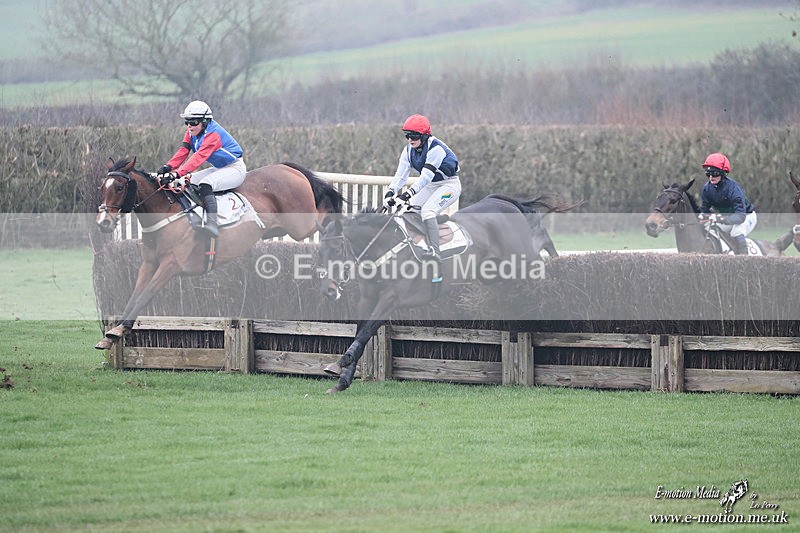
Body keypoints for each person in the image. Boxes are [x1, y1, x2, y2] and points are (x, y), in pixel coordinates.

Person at [157, 100, 246, 238]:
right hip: (219, 168)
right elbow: (183, 151)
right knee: (186, 181)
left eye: (193, 122)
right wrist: (168, 166)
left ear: (205, 121)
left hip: (235, 169)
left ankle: (212, 224)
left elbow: (198, 158)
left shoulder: (213, 134)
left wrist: (176, 174)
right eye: (187, 122)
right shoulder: (191, 132)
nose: (189, 126)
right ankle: (196, 216)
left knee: (206, 184)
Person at [382, 114, 461, 262]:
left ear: (424, 136)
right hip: (431, 186)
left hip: (449, 185)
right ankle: (421, 242)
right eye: (407, 136)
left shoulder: (436, 149)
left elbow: (425, 177)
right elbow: (401, 176)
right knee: (408, 211)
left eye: (413, 136)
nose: (410, 139)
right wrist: (390, 192)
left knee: (427, 211)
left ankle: (435, 251)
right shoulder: (408, 150)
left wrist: (406, 195)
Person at [698, 152, 756, 255]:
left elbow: (740, 217)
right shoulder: (707, 189)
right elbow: (704, 210)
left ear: (723, 173)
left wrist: (719, 218)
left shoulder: (733, 188)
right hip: (728, 217)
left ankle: (745, 260)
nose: (711, 177)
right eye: (708, 174)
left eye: (714, 173)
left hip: (746, 216)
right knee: (710, 229)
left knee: (736, 232)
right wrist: (702, 216)